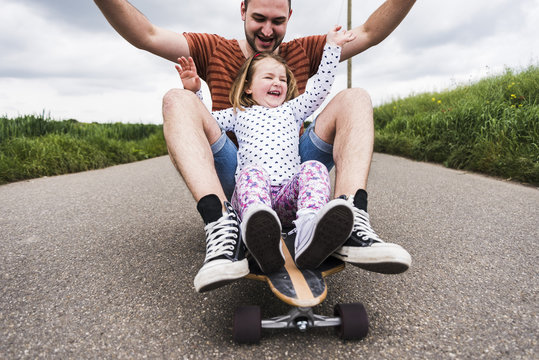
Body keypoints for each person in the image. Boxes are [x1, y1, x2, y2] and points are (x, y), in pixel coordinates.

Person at [94, 0, 414, 292]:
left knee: (355, 97)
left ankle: (350, 218)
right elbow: (146, 35)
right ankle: (224, 223)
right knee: (176, 99)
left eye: (277, 21)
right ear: (243, 9)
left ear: (290, 17)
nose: (266, 30)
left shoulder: (303, 55)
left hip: (292, 169)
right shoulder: (215, 52)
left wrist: (331, 49)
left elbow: (370, 33)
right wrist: (192, 93)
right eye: (258, 18)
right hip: (242, 173)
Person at [177, 26, 357, 291]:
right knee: (252, 172)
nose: (277, 83)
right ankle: (255, 232)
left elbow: (319, 90)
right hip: (252, 198)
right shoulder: (238, 114)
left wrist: (332, 48)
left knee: (314, 167)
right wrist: (194, 92)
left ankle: (309, 229)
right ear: (248, 87)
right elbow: (203, 122)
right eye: (268, 77)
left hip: (286, 198)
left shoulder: (292, 110)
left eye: (282, 79)